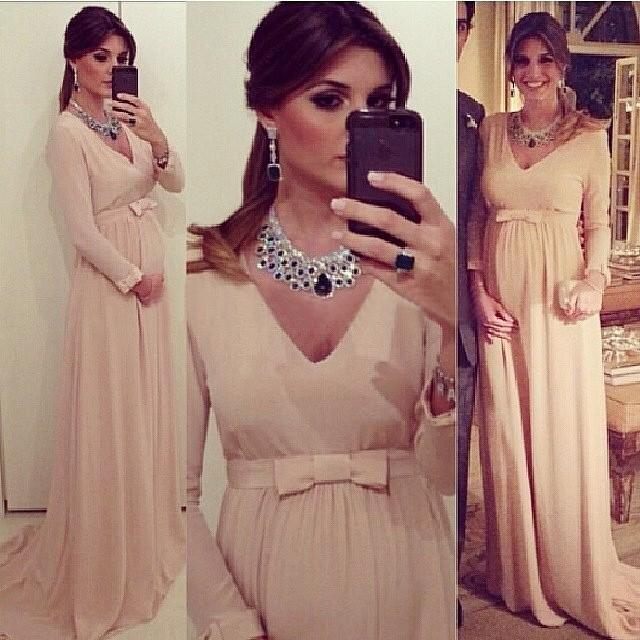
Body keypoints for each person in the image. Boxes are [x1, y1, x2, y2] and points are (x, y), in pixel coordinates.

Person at [186, 3, 456, 639]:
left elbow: (446, 475)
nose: (357, 126)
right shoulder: (201, 272)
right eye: (330, 100)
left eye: (378, 103)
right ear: (267, 109)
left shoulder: (424, 267)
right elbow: (170, 494)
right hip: (261, 590)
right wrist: (229, 624)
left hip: (408, 581)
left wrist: (452, 324)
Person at [0, 7, 185, 638]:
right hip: (111, 289)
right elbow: (81, 230)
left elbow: (174, 181)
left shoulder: (130, 119)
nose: (111, 68)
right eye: (100, 56)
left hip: (149, 287)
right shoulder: (66, 134)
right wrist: (133, 277)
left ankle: (141, 537)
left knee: (143, 406)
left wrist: (157, 135)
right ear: (74, 60)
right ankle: (104, 556)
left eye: (120, 58)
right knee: (111, 412)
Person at [468, 11, 640, 638]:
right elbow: (479, 218)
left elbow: (598, 223)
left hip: (560, 308)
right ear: (511, 68)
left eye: (545, 59)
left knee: (560, 435)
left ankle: (568, 572)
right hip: (502, 308)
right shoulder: (491, 130)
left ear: (562, 66)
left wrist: (593, 281)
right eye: (522, 59)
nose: (533, 71)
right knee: (509, 435)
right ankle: (520, 573)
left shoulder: (589, 138)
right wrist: (478, 292)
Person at [456, 1, 485, 618]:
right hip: (383, 302)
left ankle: (445, 574)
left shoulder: (474, 118)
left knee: (453, 448)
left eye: (458, 23)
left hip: (457, 309)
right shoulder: (383, 103)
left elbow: (485, 213)